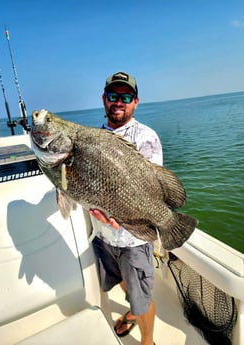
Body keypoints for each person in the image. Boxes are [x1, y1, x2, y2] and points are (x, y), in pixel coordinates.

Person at [90, 71, 163, 345]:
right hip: (102, 235)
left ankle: (148, 342)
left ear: (135, 102)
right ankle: (132, 312)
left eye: (126, 97)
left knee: (142, 299)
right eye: (113, 96)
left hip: (132, 239)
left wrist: (123, 217)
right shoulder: (95, 138)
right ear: (104, 99)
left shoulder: (146, 137)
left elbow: (150, 189)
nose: (118, 102)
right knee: (122, 283)